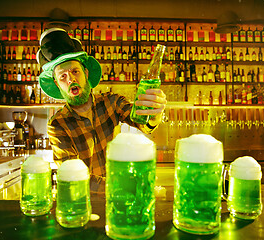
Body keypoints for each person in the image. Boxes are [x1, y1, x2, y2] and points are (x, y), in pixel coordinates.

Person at [37, 28, 167, 192]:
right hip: (85, 201)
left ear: (86, 73)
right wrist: (119, 186)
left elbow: (143, 123)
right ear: (57, 84)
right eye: (63, 76)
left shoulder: (111, 102)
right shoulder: (57, 124)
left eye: (75, 71)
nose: (71, 79)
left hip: (117, 197)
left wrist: (154, 112)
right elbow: (71, 174)